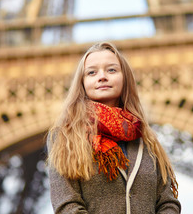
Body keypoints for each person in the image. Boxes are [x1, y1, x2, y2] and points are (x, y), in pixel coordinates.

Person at [47, 42, 181, 214]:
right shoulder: (64, 137)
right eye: (92, 72)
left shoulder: (147, 139)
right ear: (82, 83)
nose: (102, 77)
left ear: (125, 79)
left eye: (111, 70)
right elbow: (67, 206)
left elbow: (167, 202)